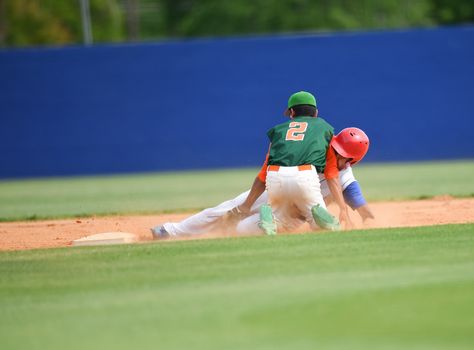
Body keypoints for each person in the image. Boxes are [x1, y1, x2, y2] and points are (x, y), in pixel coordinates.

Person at [151, 127, 373, 239]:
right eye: (334, 147)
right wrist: (248, 203)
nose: (334, 153)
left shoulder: (345, 177)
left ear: (353, 160)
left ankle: (259, 222)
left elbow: (355, 195)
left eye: (341, 153)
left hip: (287, 216)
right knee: (226, 209)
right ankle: (170, 231)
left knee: (240, 229)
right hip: (274, 193)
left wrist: (366, 216)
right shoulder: (314, 151)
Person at [226, 91, 351, 235]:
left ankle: (271, 218)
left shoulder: (278, 132)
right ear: (316, 113)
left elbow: (263, 175)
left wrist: (247, 205)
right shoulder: (325, 128)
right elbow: (331, 174)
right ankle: (322, 220)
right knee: (320, 227)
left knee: (277, 224)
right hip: (305, 177)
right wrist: (343, 207)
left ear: (292, 112)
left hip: (275, 176)